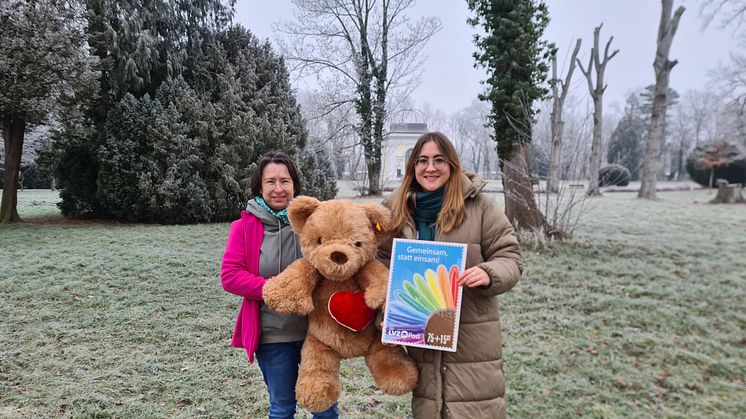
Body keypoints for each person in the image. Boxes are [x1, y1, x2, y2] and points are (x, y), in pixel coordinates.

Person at [378, 132, 523, 419]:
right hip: (419, 335)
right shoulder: (396, 212)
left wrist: (488, 272)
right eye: (422, 161)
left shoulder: (480, 207)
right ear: (413, 167)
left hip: (472, 336)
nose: (430, 168)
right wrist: (387, 310)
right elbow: (379, 264)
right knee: (430, 407)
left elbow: (511, 257)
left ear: (452, 164)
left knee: (475, 408)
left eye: (438, 160)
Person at [221, 151, 338, 419]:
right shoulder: (244, 227)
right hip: (274, 336)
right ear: (259, 187)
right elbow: (230, 275)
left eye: (284, 181)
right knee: (283, 407)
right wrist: (276, 290)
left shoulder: (316, 224)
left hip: (317, 335)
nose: (278, 189)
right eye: (270, 181)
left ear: (295, 185)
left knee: (325, 409)